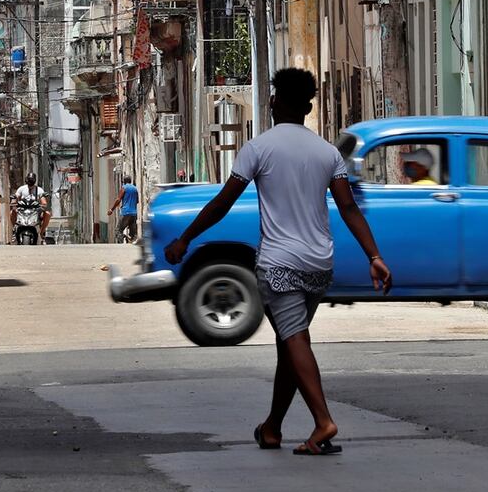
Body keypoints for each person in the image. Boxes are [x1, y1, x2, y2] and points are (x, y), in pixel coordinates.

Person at [164, 68, 392, 457]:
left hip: (279, 264)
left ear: (275, 102)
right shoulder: (327, 152)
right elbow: (349, 208)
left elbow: (223, 202)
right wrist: (375, 256)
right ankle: (272, 428)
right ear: (307, 105)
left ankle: (323, 422)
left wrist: (186, 238)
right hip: (319, 265)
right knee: (291, 343)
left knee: (294, 340)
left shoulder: (259, 148)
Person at [12, 173, 50, 238]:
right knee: (12, 212)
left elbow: (43, 201)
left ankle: (41, 232)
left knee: (47, 214)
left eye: (32, 180)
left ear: (35, 180)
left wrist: (43, 205)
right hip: (22, 210)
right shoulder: (21, 189)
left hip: (35, 211)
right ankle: (14, 229)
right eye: (29, 179)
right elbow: (16, 197)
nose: (30, 181)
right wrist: (13, 201)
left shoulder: (39, 190)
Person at [107, 175, 140, 242]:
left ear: (124, 181)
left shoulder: (124, 188)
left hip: (125, 212)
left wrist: (111, 209)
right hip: (134, 213)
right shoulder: (135, 189)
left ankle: (122, 244)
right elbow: (137, 201)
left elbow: (118, 200)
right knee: (133, 234)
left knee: (118, 231)